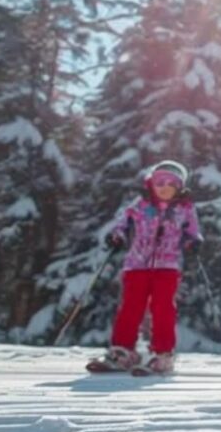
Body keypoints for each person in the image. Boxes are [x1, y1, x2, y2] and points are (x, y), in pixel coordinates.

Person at [85, 161, 204, 376]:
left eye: (172, 184)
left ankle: (162, 354)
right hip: (136, 265)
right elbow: (122, 223)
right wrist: (117, 236)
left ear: (180, 187)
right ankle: (122, 351)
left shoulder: (185, 208)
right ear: (151, 183)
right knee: (131, 307)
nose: (165, 187)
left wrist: (193, 242)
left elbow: (192, 232)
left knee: (163, 308)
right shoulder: (140, 204)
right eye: (160, 182)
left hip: (167, 267)